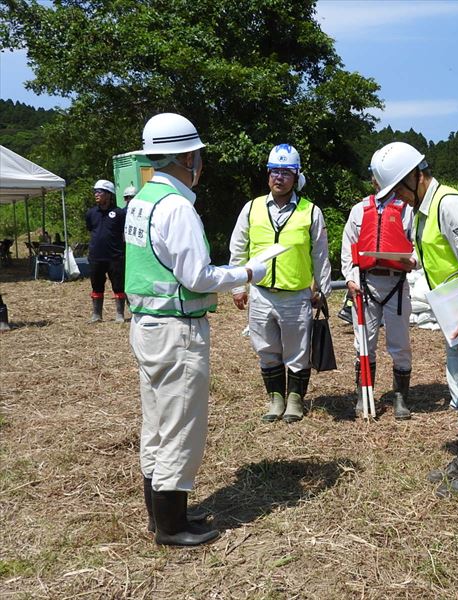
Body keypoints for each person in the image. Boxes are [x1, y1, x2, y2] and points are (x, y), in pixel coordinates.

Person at [125, 112, 267, 546]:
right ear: (187, 156)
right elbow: (198, 277)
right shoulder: (177, 208)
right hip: (177, 331)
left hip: (147, 325)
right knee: (182, 425)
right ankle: (171, 526)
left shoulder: (142, 200)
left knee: (157, 420)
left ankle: (160, 515)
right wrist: (247, 273)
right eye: (199, 155)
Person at [371, 141, 458, 498]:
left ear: (415, 176)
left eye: (398, 190)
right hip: (457, 313)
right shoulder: (423, 210)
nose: (398, 199)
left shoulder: (449, 205)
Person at [229, 144, 332, 425]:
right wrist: (238, 287)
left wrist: (321, 289)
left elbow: (320, 254)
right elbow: (238, 249)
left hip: (296, 295)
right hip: (261, 294)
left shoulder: (311, 212)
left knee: (298, 351)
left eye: (286, 172)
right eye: (274, 171)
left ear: (296, 175)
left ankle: (296, 400)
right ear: (268, 174)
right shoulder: (251, 208)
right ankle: (275, 398)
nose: (279, 177)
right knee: (266, 348)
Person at [341, 171, 415, 420]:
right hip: (365, 282)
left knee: (400, 343)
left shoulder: (407, 210)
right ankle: (365, 392)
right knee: (363, 342)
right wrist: (350, 279)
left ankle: (400, 397)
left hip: (397, 282)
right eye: (377, 176)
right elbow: (348, 247)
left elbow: (418, 246)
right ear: (372, 179)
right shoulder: (359, 210)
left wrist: (412, 262)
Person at [85, 179, 126, 323]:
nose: (96, 194)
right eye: (95, 191)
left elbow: (123, 233)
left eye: (99, 192)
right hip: (96, 256)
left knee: (118, 285)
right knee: (96, 285)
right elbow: (90, 228)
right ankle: (97, 314)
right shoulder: (91, 213)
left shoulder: (119, 213)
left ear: (109, 195)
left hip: (115, 256)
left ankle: (120, 314)